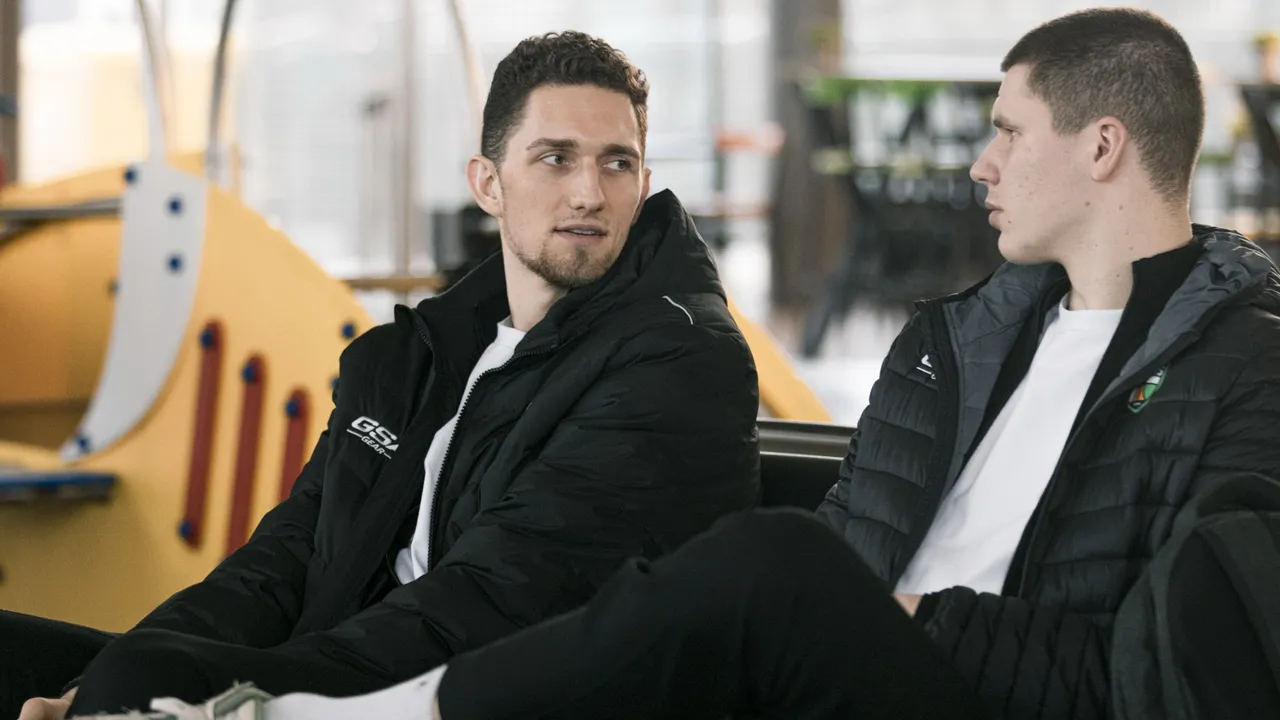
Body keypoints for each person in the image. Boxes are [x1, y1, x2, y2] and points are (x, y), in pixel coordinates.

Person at [177, 8, 1280, 720]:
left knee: (770, 561)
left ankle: (348, 717)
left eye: (1008, 131)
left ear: (1101, 146)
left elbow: (1180, 670)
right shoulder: (951, 346)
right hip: (828, 673)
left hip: (975, 691)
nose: (979, 164)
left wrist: (913, 622)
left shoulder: (1242, 365)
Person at [3, 31, 762, 720]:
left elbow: (488, 610)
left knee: (138, 681)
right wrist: (91, 687)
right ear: (488, 184)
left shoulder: (680, 360)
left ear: (643, 183)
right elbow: (283, 561)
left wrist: (212, 698)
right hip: (342, 666)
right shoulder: (420, 355)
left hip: (457, 695)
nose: (590, 192)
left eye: (616, 163)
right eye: (556, 158)